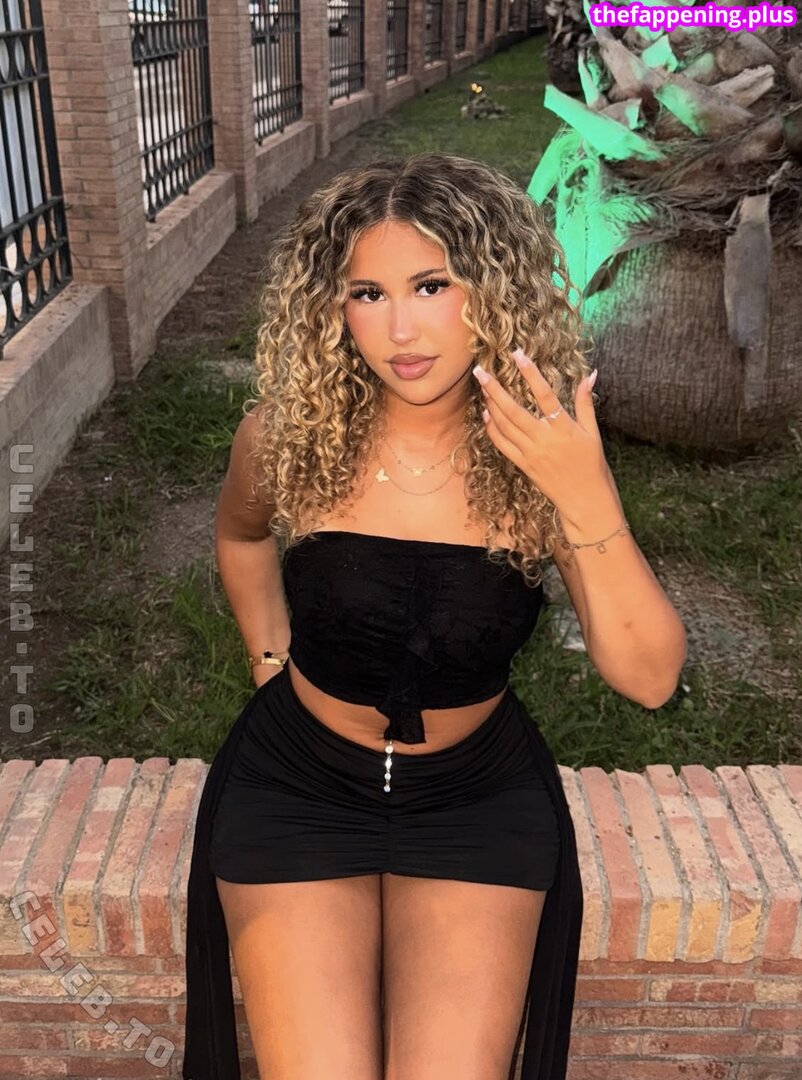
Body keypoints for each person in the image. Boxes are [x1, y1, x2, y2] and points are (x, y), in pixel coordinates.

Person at [182, 152, 687, 1080]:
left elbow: (650, 678)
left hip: (475, 798)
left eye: (431, 285)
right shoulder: (291, 437)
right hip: (296, 785)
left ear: (494, 291)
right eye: (367, 294)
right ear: (332, 308)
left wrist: (586, 493)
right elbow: (241, 536)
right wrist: (269, 662)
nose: (401, 329)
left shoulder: (542, 455)